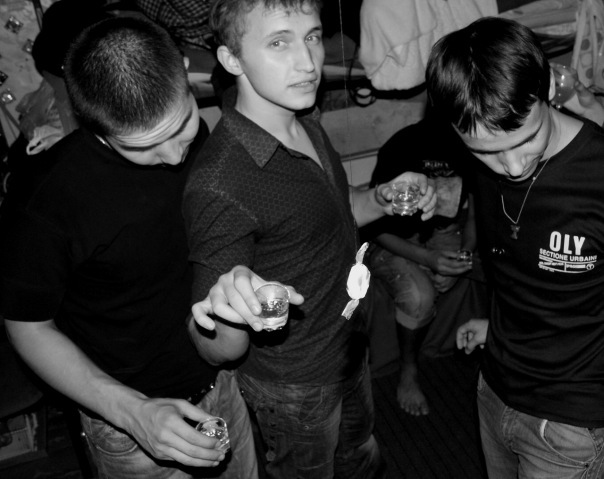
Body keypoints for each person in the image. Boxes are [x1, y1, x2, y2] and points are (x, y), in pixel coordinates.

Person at [182, 1, 437, 478]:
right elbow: (216, 347)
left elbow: (338, 209)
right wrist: (228, 308)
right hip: (296, 385)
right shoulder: (221, 181)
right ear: (232, 59)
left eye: (313, 37)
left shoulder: (306, 123)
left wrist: (381, 198)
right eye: (278, 42)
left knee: (361, 454)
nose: (307, 62)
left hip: (348, 345)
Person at [0, 16, 262, 479]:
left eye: (180, 127)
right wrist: (132, 412)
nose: (174, 156)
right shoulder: (47, 199)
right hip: (131, 420)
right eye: (145, 147)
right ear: (94, 124)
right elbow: (28, 327)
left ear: (185, 73)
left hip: (222, 382)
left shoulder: (196, 136)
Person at [425, 16, 604, 478]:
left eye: (526, 141)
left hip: (570, 423)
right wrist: (499, 330)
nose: (511, 166)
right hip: (494, 388)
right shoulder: (481, 153)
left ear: (547, 93)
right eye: (485, 151)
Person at [361, 114, 478, 416]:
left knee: (480, 266)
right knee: (420, 296)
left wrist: (462, 257)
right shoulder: (402, 146)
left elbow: (476, 214)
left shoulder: (474, 143)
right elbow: (374, 230)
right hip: (395, 238)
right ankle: (408, 370)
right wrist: (429, 260)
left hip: (444, 230)